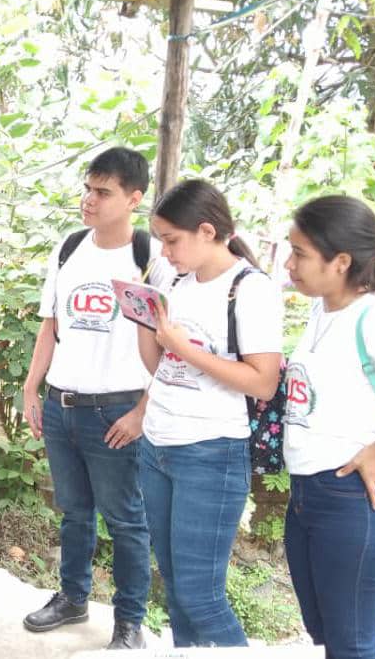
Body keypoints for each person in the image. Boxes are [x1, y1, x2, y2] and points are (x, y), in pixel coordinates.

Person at [22, 147, 174, 649]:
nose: (89, 199)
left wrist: (141, 412)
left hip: (117, 411)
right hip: (62, 404)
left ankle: (130, 623)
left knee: (126, 520)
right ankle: (72, 597)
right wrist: (32, 387)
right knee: (74, 511)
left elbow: (171, 346)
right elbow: (51, 323)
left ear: (134, 198)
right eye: (87, 188)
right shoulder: (69, 248)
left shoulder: (152, 258)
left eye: (103, 192)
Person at [137, 179, 283, 647]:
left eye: (172, 240)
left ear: (206, 231)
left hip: (210, 452)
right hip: (157, 444)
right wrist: (144, 318)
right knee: (175, 587)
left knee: (201, 596)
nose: (165, 251)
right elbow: (160, 368)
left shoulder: (249, 289)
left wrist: (183, 347)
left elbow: (263, 381)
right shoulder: (176, 281)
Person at [282, 195, 375, 659]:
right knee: (327, 634)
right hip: (306, 494)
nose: (289, 264)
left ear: (341, 261)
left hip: (352, 499)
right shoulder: (320, 311)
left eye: (300, 254)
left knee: (353, 644)